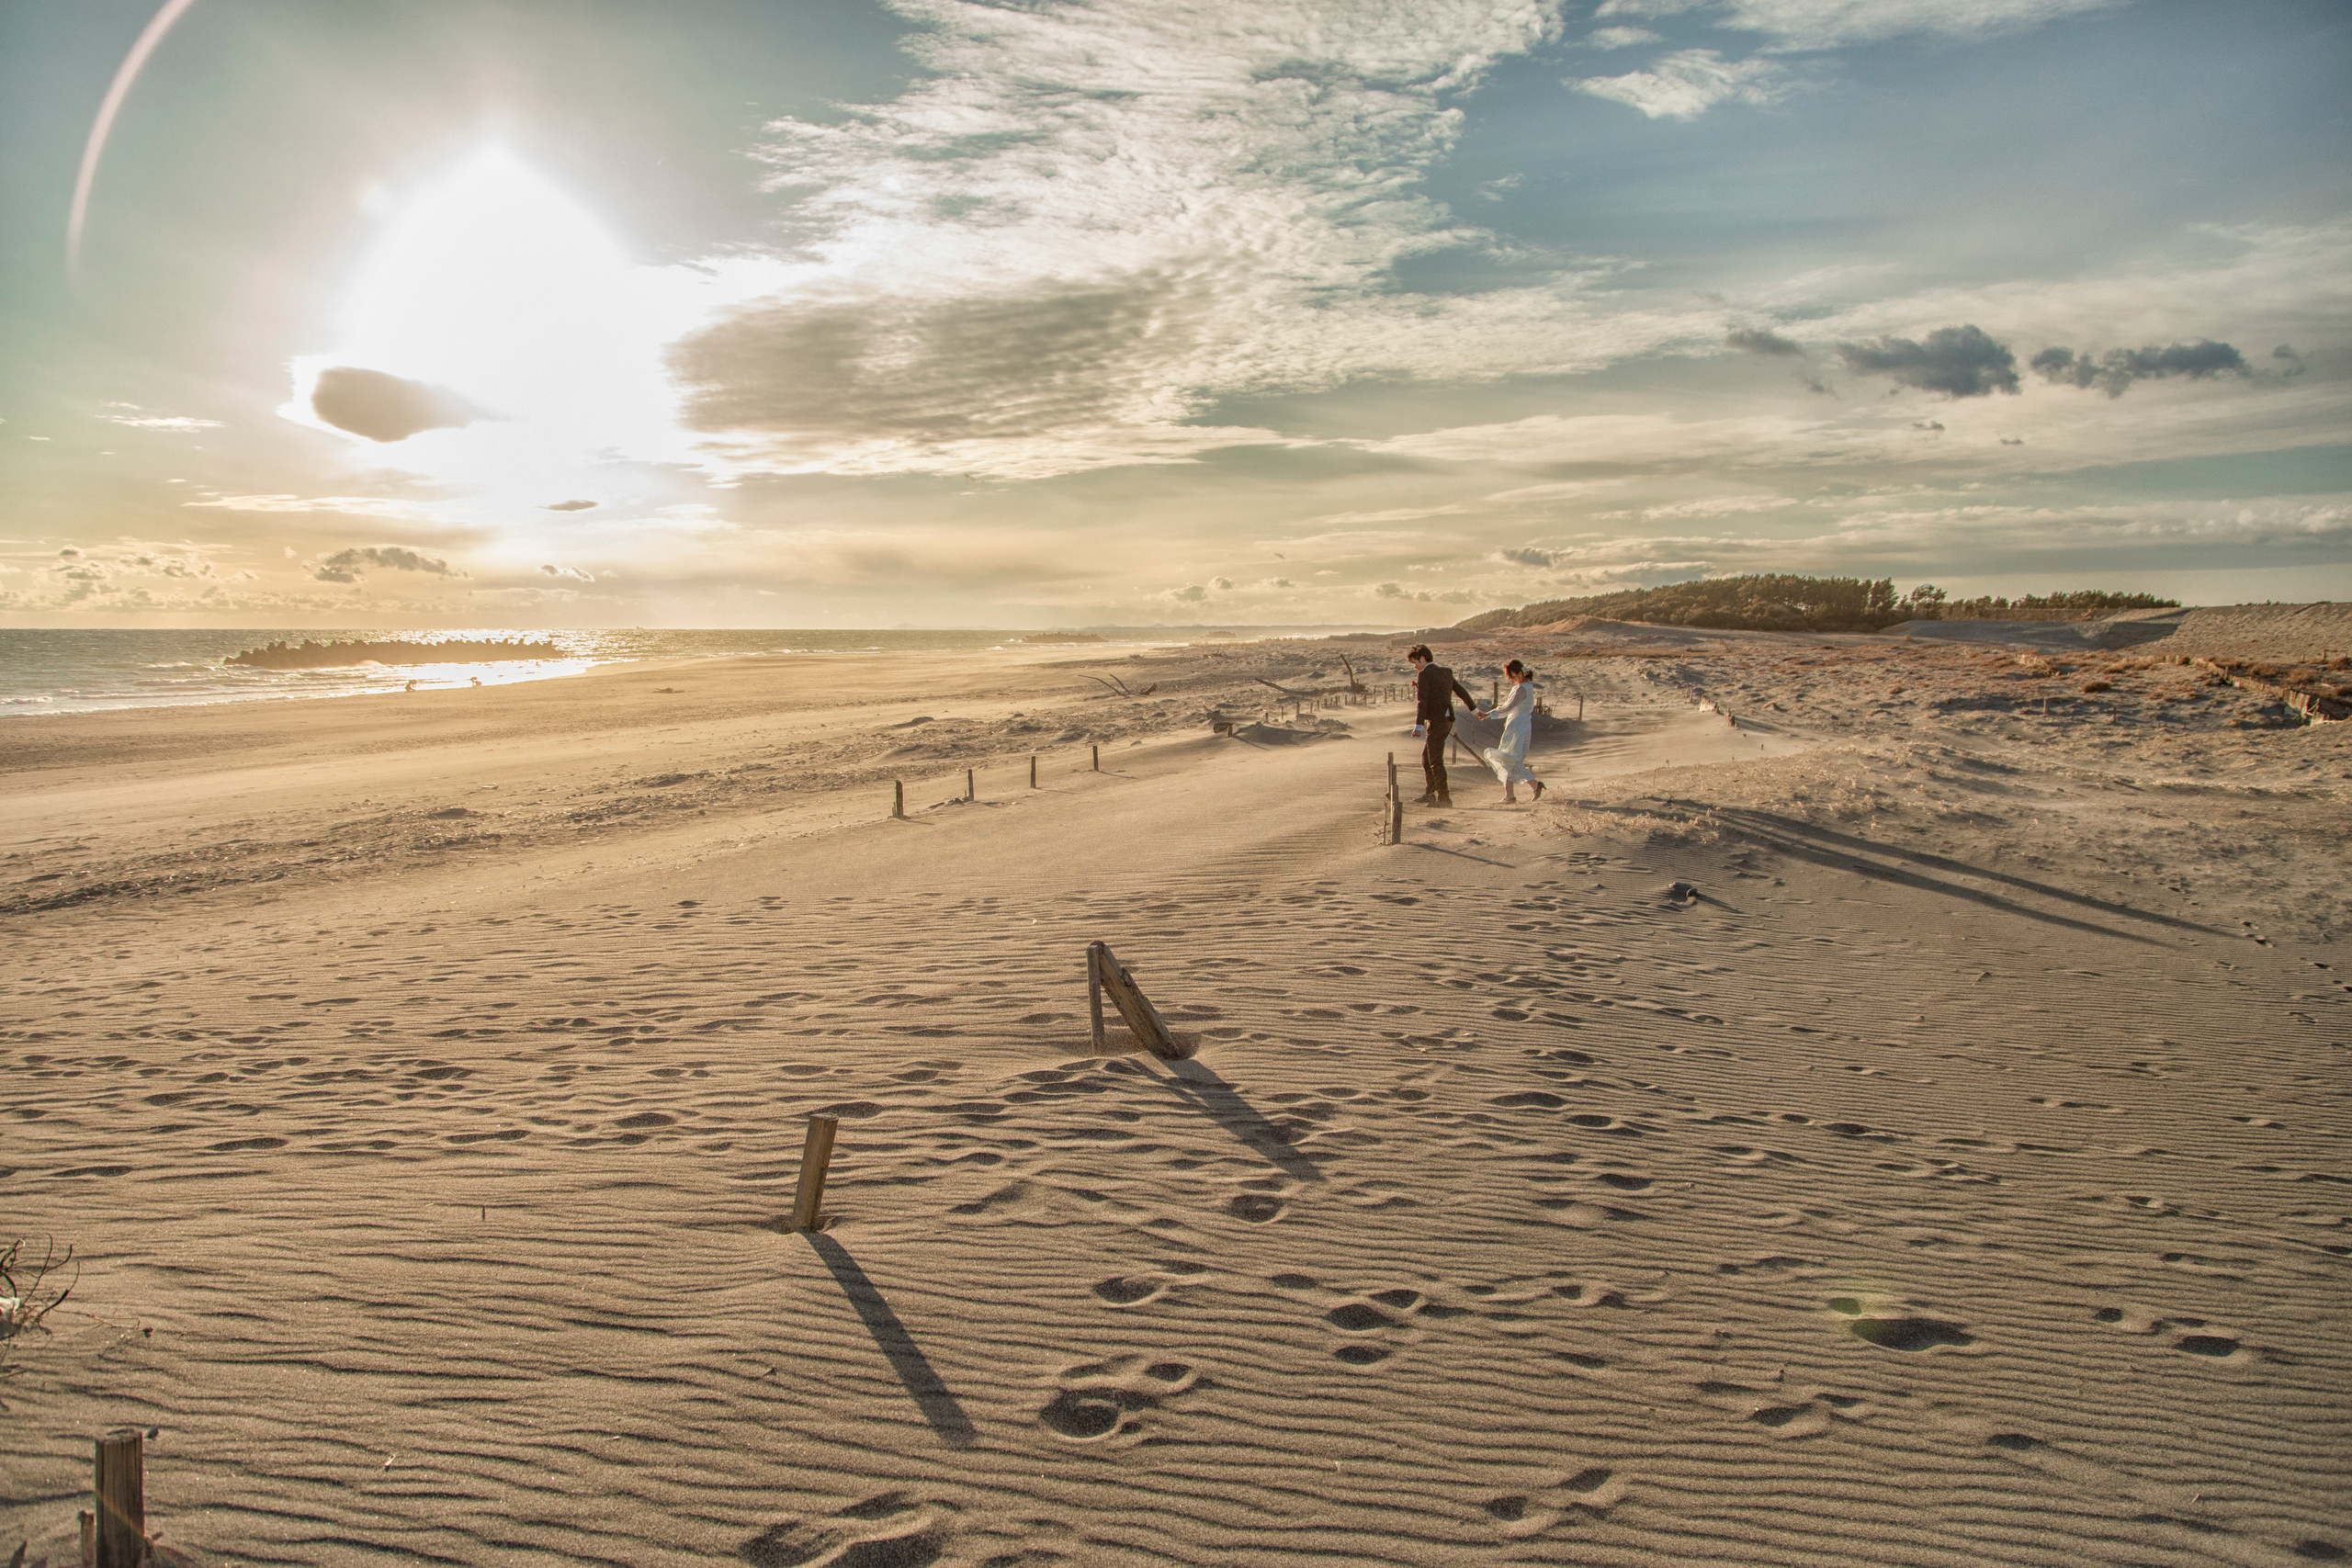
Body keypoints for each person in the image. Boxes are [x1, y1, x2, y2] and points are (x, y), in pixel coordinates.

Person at [1406, 644, 1476, 807]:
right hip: (1447, 720)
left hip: (1437, 721)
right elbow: (1461, 691)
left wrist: (1418, 726)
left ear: (1422, 659)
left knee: (1435, 760)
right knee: (1426, 758)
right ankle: (1431, 793)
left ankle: (1444, 798)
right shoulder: (1446, 672)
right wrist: (1475, 709)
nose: (1415, 667)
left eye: (1415, 663)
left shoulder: (1425, 674)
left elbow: (1421, 702)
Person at [1475, 658, 1545, 804]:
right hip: (1522, 723)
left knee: (1507, 758)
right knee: (1511, 759)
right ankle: (1529, 787)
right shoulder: (1527, 687)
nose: (1511, 680)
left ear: (1520, 673)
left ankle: (1512, 795)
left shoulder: (1522, 689)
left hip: (1517, 725)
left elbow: (1508, 707)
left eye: (1512, 676)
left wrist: (1488, 714)